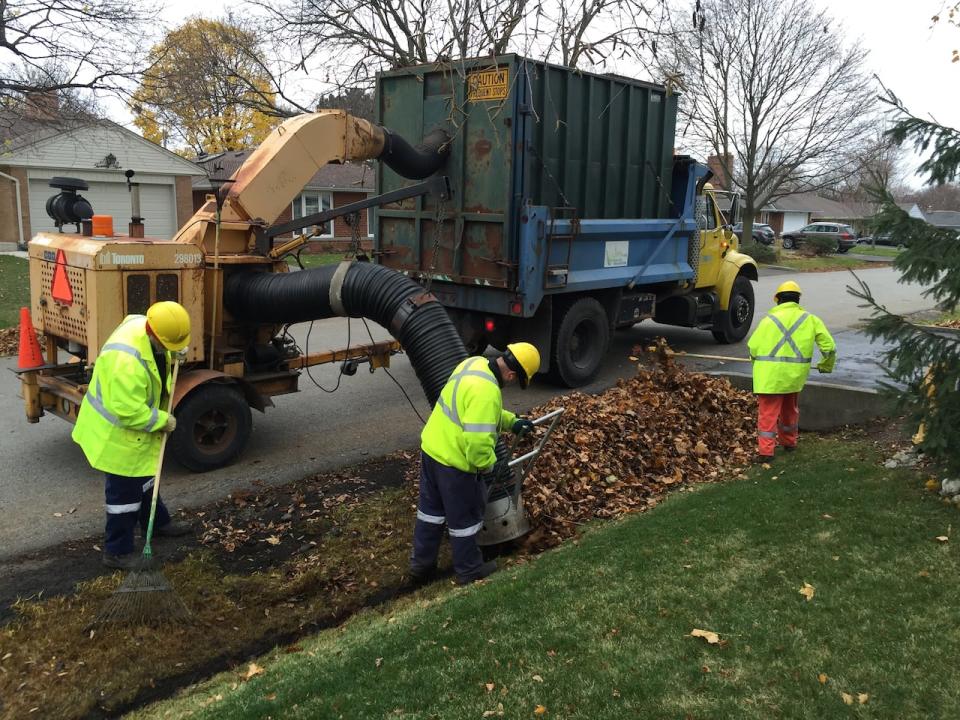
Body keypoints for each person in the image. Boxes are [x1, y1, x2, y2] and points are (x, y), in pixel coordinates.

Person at [72, 301, 193, 569]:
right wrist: (163, 420)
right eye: (168, 345)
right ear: (154, 333)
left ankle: (159, 523)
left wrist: (174, 355)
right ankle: (117, 551)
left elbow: (157, 358)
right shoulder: (125, 363)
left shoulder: (144, 324)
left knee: (149, 479)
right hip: (117, 435)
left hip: (135, 435)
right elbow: (128, 411)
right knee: (124, 498)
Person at [411, 342, 541, 585]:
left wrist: (512, 422)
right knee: (466, 519)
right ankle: (469, 571)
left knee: (431, 513)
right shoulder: (487, 391)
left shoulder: (474, 364)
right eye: (515, 381)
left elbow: (477, 412)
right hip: (454, 464)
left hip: (432, 449)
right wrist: (490, 467)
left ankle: (421, 567)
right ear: (512, 374)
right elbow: (478, 445)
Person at [747, 280, 836, 462]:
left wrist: (755, 361)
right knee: (790, 410)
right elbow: (829, 347)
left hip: (770, 378)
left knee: (768, 414)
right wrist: (826, 365)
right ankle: (789, 443)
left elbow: (753, 347)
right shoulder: (810, 319)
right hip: (794, 377)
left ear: (777, 299)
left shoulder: (768, 320)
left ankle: (766, 453)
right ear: (798, 300)